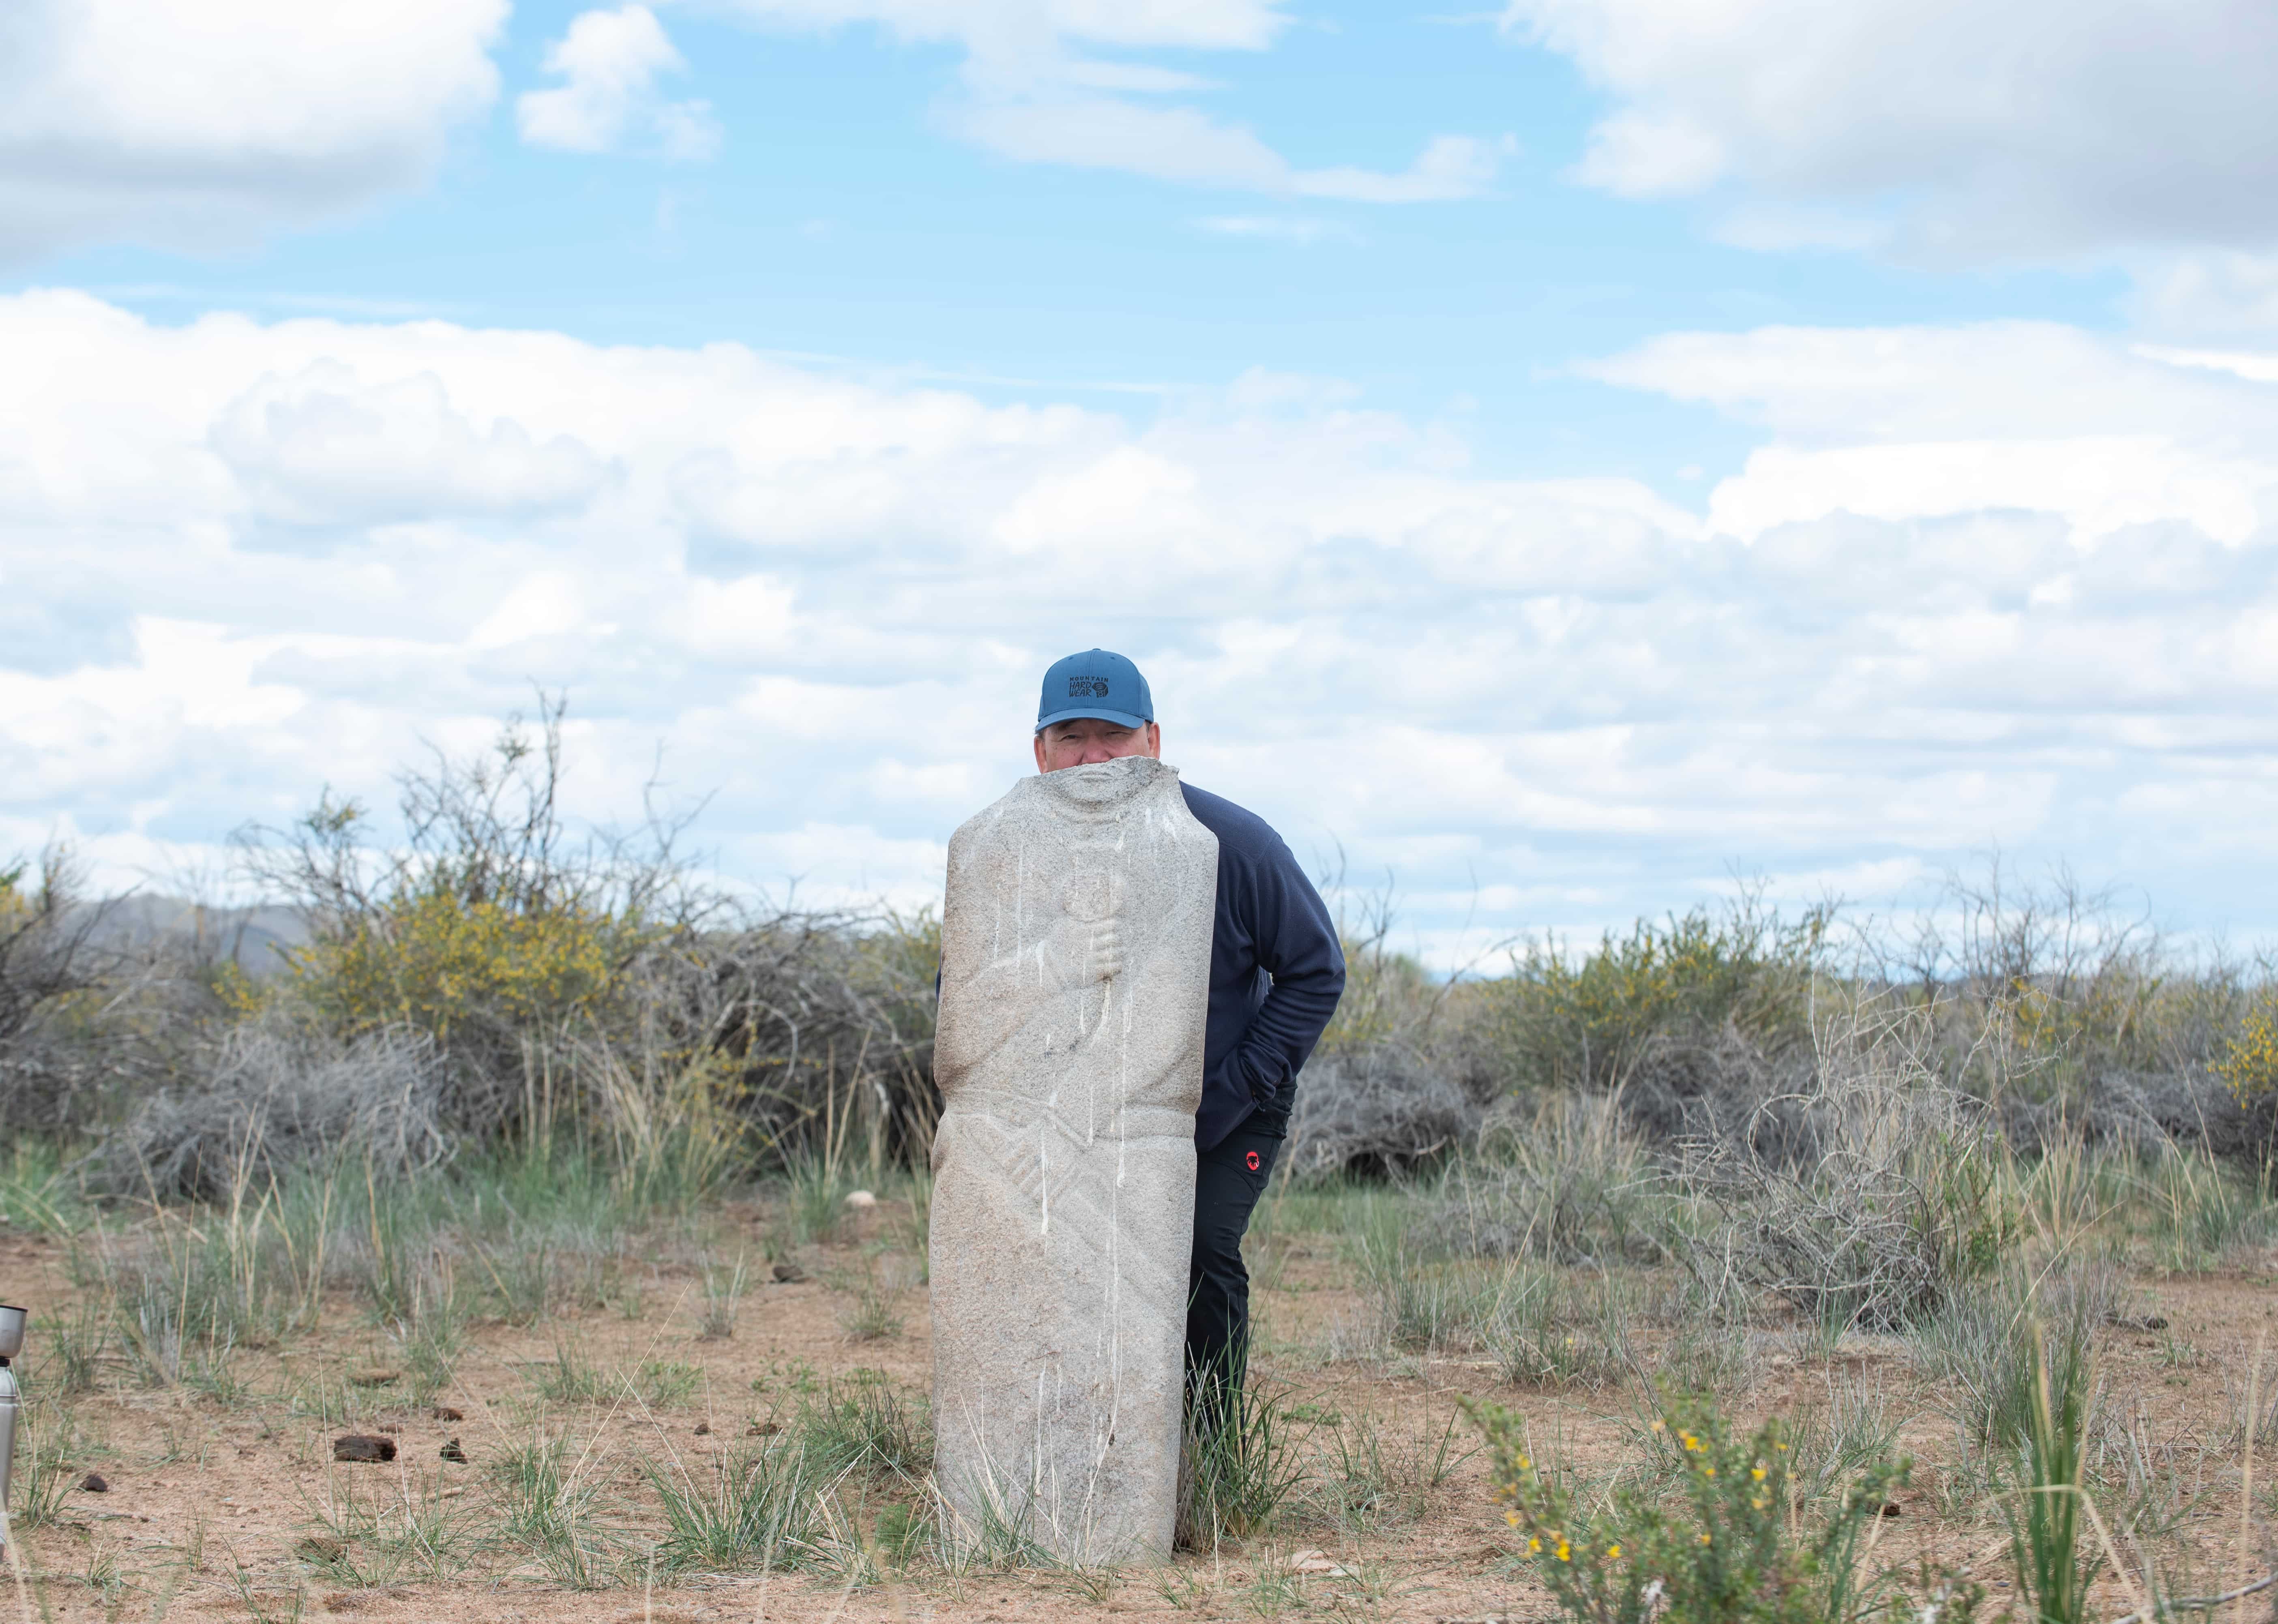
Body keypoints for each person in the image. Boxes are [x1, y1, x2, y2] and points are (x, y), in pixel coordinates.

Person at [1029, 647, 1346, 1423]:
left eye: (1114, 734)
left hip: (1225, 1105)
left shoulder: (1234, 842)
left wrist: (1228, 1093)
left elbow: (1316, 971)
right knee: (1054, 1252)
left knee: (1197, 1249)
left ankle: (1209, 1454)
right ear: (1039, 752)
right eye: (1071, 736)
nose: (1093, 757)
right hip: (1082, 1109)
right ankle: (1080, 1436)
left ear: (1154, 740)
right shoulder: (1012, 850)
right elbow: (967, 992)